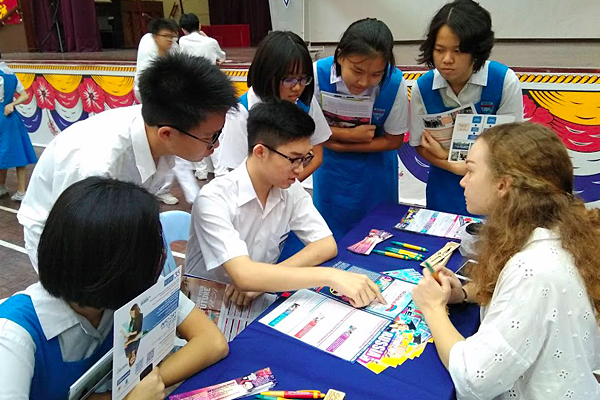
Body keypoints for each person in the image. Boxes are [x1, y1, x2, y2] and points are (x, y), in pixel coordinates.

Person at [412, 123, 600, 400]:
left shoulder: (533, 269)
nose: (463, 180)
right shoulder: (560, 230)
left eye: (472, 170)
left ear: (503, 185)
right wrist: (464, 293)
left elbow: (474, 380)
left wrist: (433, 308)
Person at [0, 177, 229, 400]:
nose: (162, 255)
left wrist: (138, 388)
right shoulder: (14, 336)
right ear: (120, 266)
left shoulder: (132, 291)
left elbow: (212, 342)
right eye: (154, 247)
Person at [17, 53, 238, 272]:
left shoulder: (163, 129)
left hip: (113, 232)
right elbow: (80, 244)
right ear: (167, 134)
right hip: (63, 242)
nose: (215, 146)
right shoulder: (100, 167)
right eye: (211, 137)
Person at [186, 100, 385, 308]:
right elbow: (243, 275)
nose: (300, 170)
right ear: (261, 152)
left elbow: (325, 245)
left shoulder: (289, 189)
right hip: (207, 308)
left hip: (256, 302)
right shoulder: (214, 199)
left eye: (305, 158)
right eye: (293, 159)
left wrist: (261, 283)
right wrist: (330, 276)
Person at [409, 0, 523, 215]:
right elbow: (419, 144)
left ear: (477, 51)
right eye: (439, 50)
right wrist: (450, 165)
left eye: (459, 51)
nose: (447, 60)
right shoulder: (422, 87)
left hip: (493, 194)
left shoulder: (504, 81)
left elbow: (512, 151)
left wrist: (458, 164)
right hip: (442, 193)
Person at [312, 18, 409, 240]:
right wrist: (349, 136)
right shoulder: (317, 75)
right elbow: (308, 128)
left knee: (377, 236)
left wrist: (340, 144)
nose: (364, 82)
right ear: (340, 56)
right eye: (356, 70)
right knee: (328, 237)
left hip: (375, 173)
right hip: (330, 171)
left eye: (376, 74)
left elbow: (394, 140)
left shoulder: (394, 82)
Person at [212, 30, 331, 183]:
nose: (297, 87)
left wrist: (289, 185)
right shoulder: (242, 112)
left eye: (303, 79)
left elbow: (317, 152)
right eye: (289, 79)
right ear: (267, 74)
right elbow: (235, 169)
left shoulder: (304, 102)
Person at [133, 18, 186, 205]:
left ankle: (162, 189)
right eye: (166, 36)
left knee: (171, 149)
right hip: (151, 103)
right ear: (155, 36)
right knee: (154, 148)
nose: (170, 40)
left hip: (171, 103)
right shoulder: (147, 48)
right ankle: (147, 188)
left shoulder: (174, 48)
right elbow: (143, 86)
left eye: (173, 36)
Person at [0, 58, 37, 202]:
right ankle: (15, 189)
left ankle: (7, 188)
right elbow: (25, 95)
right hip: (11, 118)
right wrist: (12, 104)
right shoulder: (10, 74)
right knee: (17, 152)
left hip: (2, 117)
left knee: (6, 153)